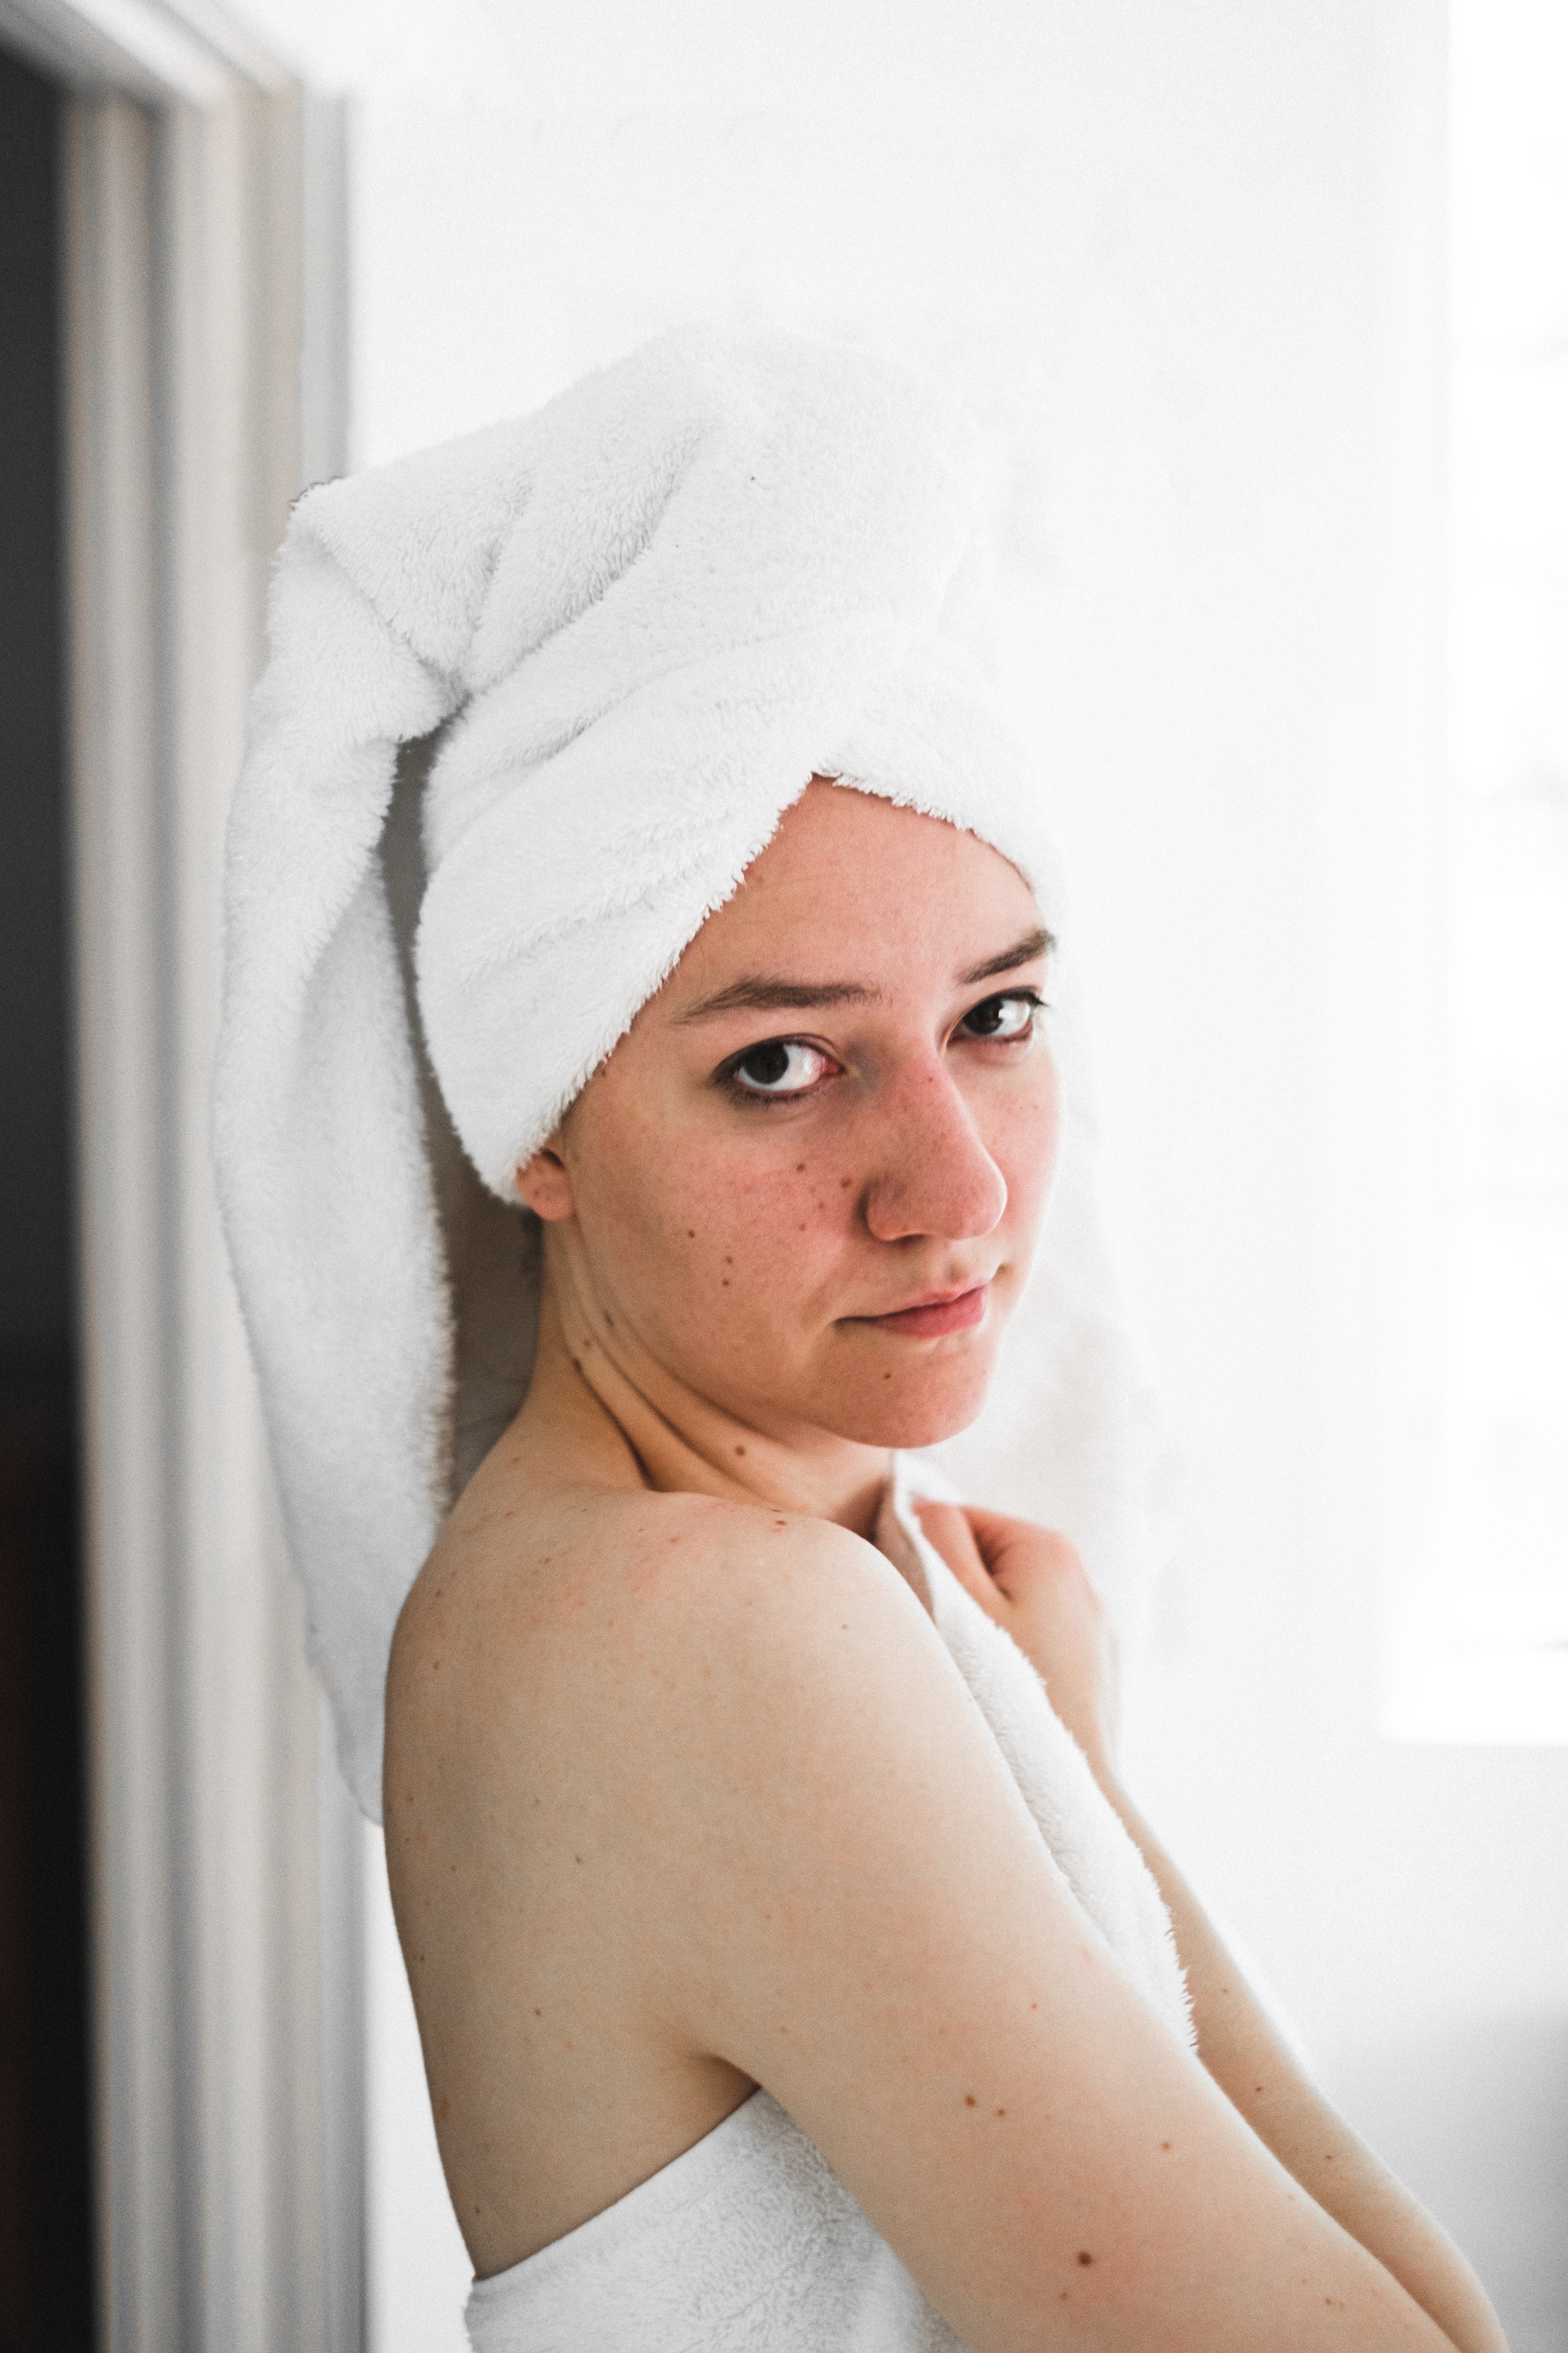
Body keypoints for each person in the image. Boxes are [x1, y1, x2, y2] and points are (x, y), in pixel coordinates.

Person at [215, 332, 1510, 2351]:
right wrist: (1088, 1784)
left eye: (992, 1019)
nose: (958, 1191)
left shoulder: (685, 1567)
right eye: (781, 1062)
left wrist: (1047, 1752)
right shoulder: (698, 1627)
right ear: (539, 1125)